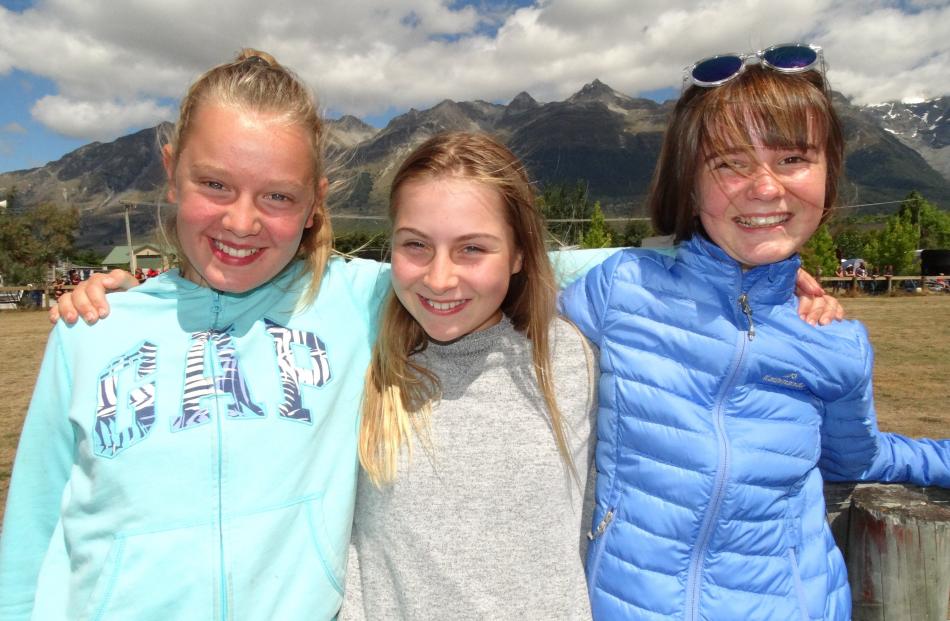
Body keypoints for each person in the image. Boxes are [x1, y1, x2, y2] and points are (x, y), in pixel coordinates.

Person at [559, 43, 950, 621]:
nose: (765, 188)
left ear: (829, 176)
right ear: (690, 184)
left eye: (793, 158)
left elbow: (855, 460)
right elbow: (492, 287)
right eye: (729, 162)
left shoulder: (835, 342)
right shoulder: (620, 290)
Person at [0, 49, 390, 621]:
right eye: (215, 184)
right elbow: (32, 527)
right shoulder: (92, 328)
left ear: (314, 204)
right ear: (171, 174)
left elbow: (509, 265)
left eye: (278, 195)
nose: (241, 222)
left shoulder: (357, 301)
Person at [339, 132, 597, 619]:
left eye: (472, 249)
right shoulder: (362, 357)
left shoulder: (571, 360)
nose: (439, 278)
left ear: (519, 254)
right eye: (416, 245)